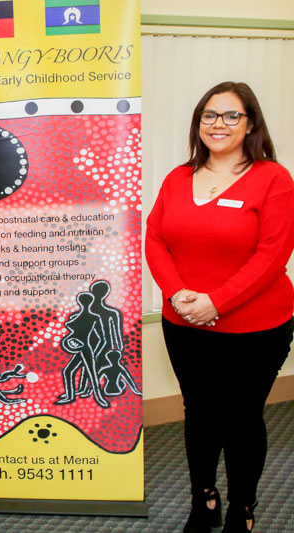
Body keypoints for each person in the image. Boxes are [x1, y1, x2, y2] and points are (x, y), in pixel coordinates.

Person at [146, 81, 294, 533]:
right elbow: (154, 239)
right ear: (198, 122)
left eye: (232, 116)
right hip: (184, 321)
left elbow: (273, 254)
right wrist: (176, 295)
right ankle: (204, 499)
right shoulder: (177, 178)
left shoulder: (273, 178)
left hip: (255, 326)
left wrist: (216, 301)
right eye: (210, 115)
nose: (219, 124)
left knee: (241, 418)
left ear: (251, 124)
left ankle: (241, 507)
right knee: (200, 413)